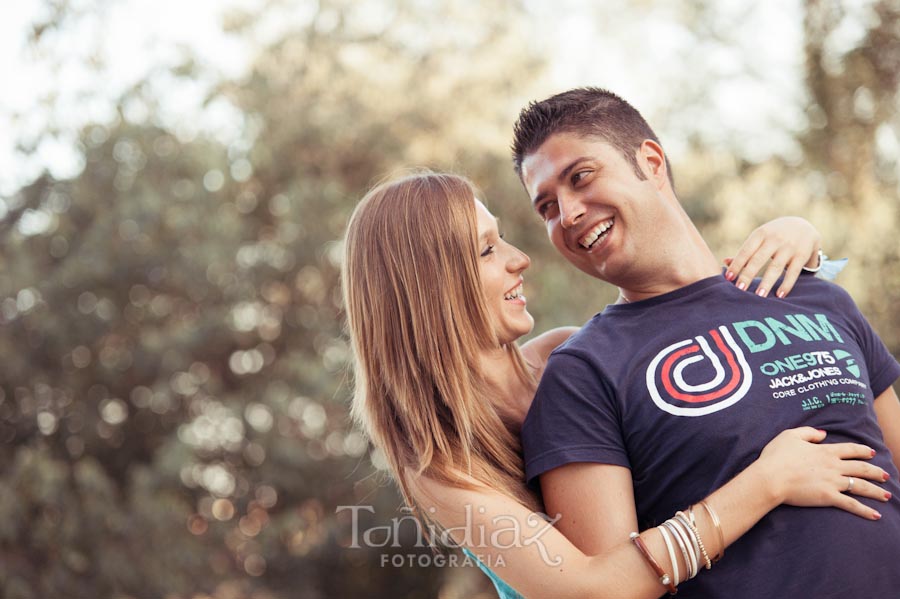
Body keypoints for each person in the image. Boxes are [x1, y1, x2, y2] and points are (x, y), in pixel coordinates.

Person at [342, 171, 891, 598]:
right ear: (429, 287)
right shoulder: (442, 468)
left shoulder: (569, 355)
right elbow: (590, 591)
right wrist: (767, 482)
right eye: (487, 250)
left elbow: (687, 334)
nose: (520, 259)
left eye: (503, 239)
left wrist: (801, 237)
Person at [513, 87, 900, 598]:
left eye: (580, 177)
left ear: (650, 162)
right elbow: (607, 587)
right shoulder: (583, 371)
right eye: (546, 207)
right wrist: (767, 482)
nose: (567, 213)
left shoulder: (816, 296)